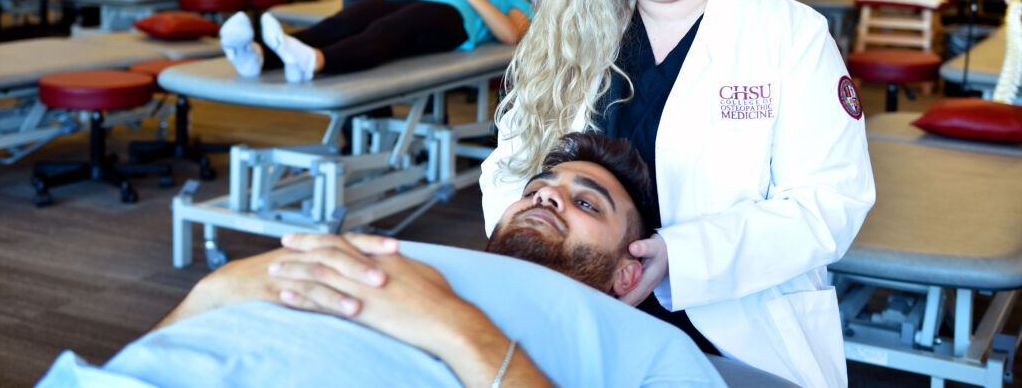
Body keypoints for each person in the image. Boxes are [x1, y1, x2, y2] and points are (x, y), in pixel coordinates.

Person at [476, 0, 875, 387]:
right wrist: (535, 250)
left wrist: (678, 257)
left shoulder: (787, 35)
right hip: (574, 308)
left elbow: (828, 202)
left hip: (730, 329)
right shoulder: (570, 34)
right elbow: (508, 170)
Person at [36, 134, 727, 388]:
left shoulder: (649, 347)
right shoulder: (421, 256)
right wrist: (224, 283)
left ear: (630, 273)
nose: (549, 194)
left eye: (588, 201)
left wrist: (455, 328)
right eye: (542, 187)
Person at [219, 0, 532, 83]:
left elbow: (510, 34)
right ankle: (257, 57)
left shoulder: (518, 0)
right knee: (342, 21)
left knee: (387, 30)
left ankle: (315, 61)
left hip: (454, 19)